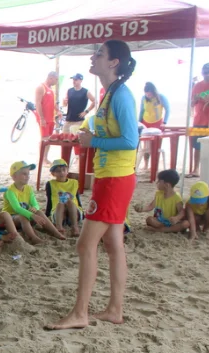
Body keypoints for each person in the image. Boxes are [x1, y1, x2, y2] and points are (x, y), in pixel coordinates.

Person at [47, 40, 139, 331]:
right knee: (113, 245)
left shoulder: (121, 95)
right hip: (114, 177)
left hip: (114, 179)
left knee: (85, 245)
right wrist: (91, 132)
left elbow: (130, 140)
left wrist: (92, 141)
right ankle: (114, 309)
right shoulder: (110, 93)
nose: (93, 56)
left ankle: (80, 313)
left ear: (113, 62)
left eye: (99, 53)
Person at [4, 161, 66, 243]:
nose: (28, 177)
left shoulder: (28, 188)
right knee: (22, 216)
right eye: (24, 174)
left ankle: (55, 232)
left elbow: (36, 204)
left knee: (39, 212)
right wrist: (33, 215)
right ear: (14, 176)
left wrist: (35, 209)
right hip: (11, 219)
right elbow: (17, 208)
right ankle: (33, 238)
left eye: (28, 174)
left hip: (28, 216)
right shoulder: (10, 191)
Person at [134, 169, 189, 237]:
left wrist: (176, 218)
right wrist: (142, 209)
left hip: (172, 223)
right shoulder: (158, 194)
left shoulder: (177, 198)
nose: (157, 183)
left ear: (166, 185)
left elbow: (182, 212)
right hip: (160, 221)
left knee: (185, 224)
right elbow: (151, 206)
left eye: (159, 181)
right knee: (149, 219)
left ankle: (159, 230)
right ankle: (166, 229)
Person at [44, 158, 83, 237]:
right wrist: (47, 214)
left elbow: (77, 198)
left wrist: (81, 210)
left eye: (63, 170)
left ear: (67, 171)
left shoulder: (74, 182)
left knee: (69, 201)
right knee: (61, 203)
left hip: (74, 213)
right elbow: (49, 201)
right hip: (59, 214)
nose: (61, 172)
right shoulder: (50, 184)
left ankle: (75, 227)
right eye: (58, 171)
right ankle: (59, 227)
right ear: (53, 173)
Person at [36, 71, 59, 164]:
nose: (56, 82)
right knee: (44, 138)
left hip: (51, 118)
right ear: (51, 78)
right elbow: (38, 103)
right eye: (56, 79)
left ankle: (45, 157)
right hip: (44, 118)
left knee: (48, 139)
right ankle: (42, 158)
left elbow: (52, 103)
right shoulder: (41, 87)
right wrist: (41, 118)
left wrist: (58, 111)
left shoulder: (51, 89)